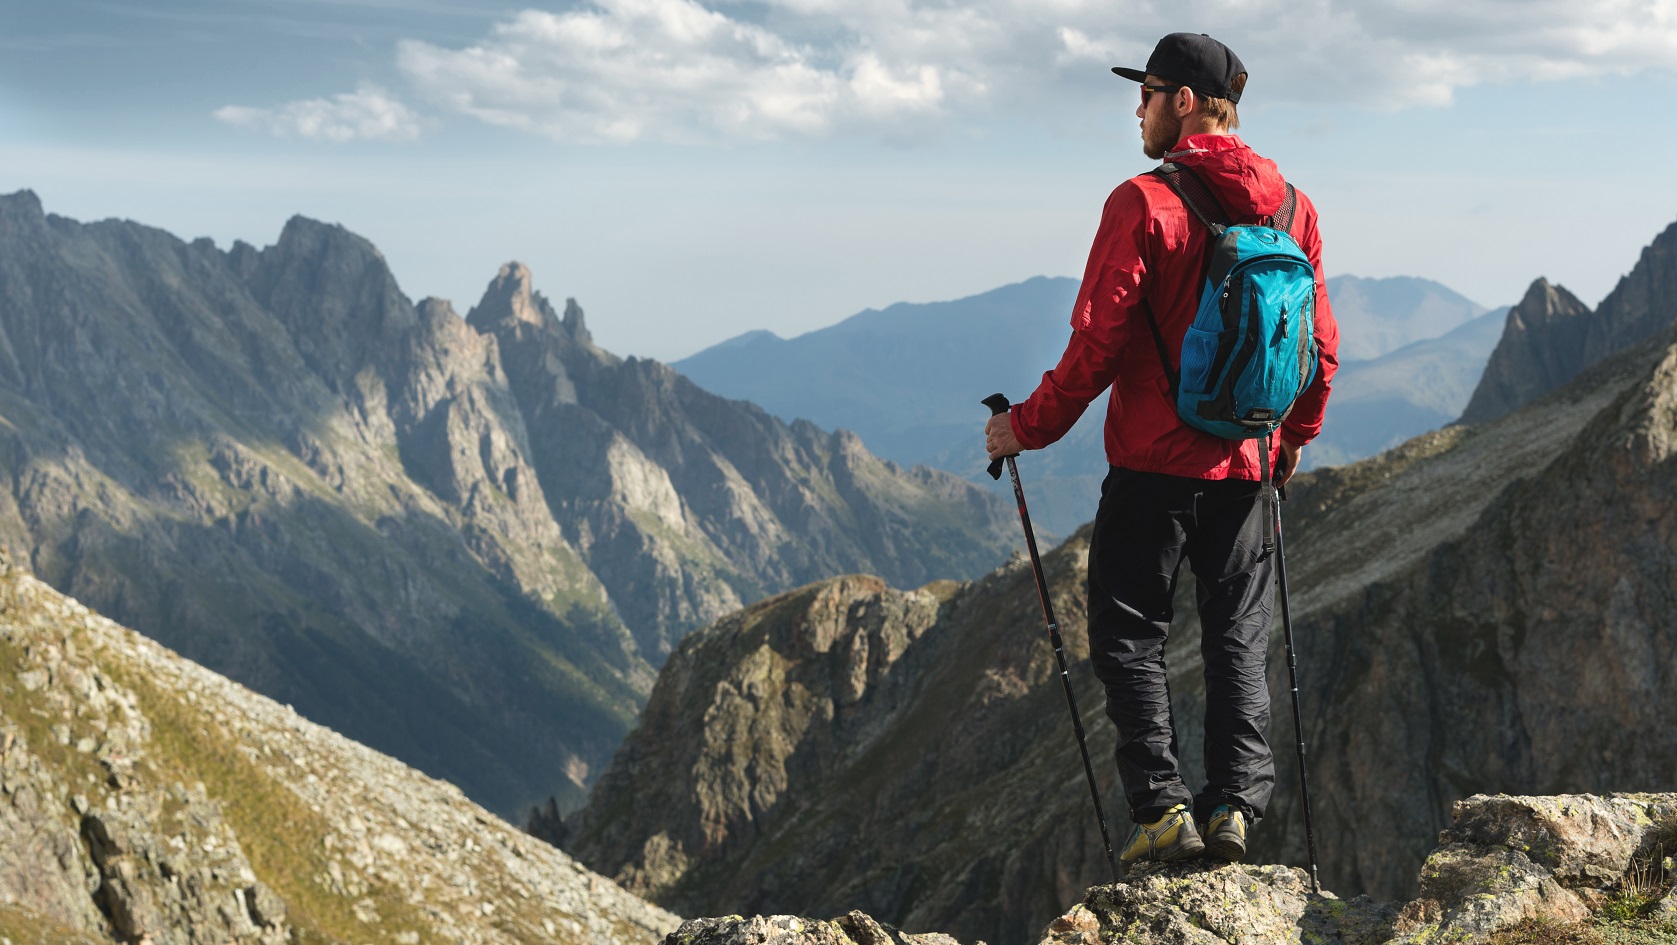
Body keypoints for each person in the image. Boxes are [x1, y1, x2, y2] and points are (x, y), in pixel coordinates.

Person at [984, 32, 1338, 866]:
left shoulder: (1142, 203)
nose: (1135, 108)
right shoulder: (1293, 209)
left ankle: (1159, 811)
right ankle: (1232, 810)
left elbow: (1094, 347)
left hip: (1152, 463)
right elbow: (1318, 348)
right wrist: (1288, 441)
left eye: (1144, 91)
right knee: (1235, 636)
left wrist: (1022, 427)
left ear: (1183, 100)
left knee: (1128, 632)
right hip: (1247, 465)